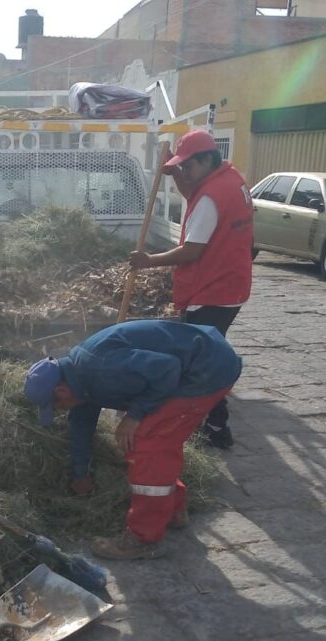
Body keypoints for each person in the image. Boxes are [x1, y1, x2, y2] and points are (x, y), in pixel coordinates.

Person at [23, 319, 242, 561]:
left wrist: (134, 416)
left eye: (56, 407)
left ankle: (143, 538)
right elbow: (81, 426)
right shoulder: (80, 380)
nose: (60, 411)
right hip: (196, 363)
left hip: (206, 368)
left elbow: (168, 368)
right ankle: (173, 511)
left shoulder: (100, 367)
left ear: (61, 391)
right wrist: (80, 474)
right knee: (160, 442)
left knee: (147, 444)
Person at [128, 128, 253, 450]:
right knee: (208, 354)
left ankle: (216, 426)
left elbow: (191, 251)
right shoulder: (231, 180)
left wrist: (148, 261)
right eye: (180, 166)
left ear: (207, 159)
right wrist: (176, 175)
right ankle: (211, 422)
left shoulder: (211, 197)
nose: (184, 171)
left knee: (202, 361)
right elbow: (196, 197)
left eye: (188, 166)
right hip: (232, 284)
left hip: (212, 288)